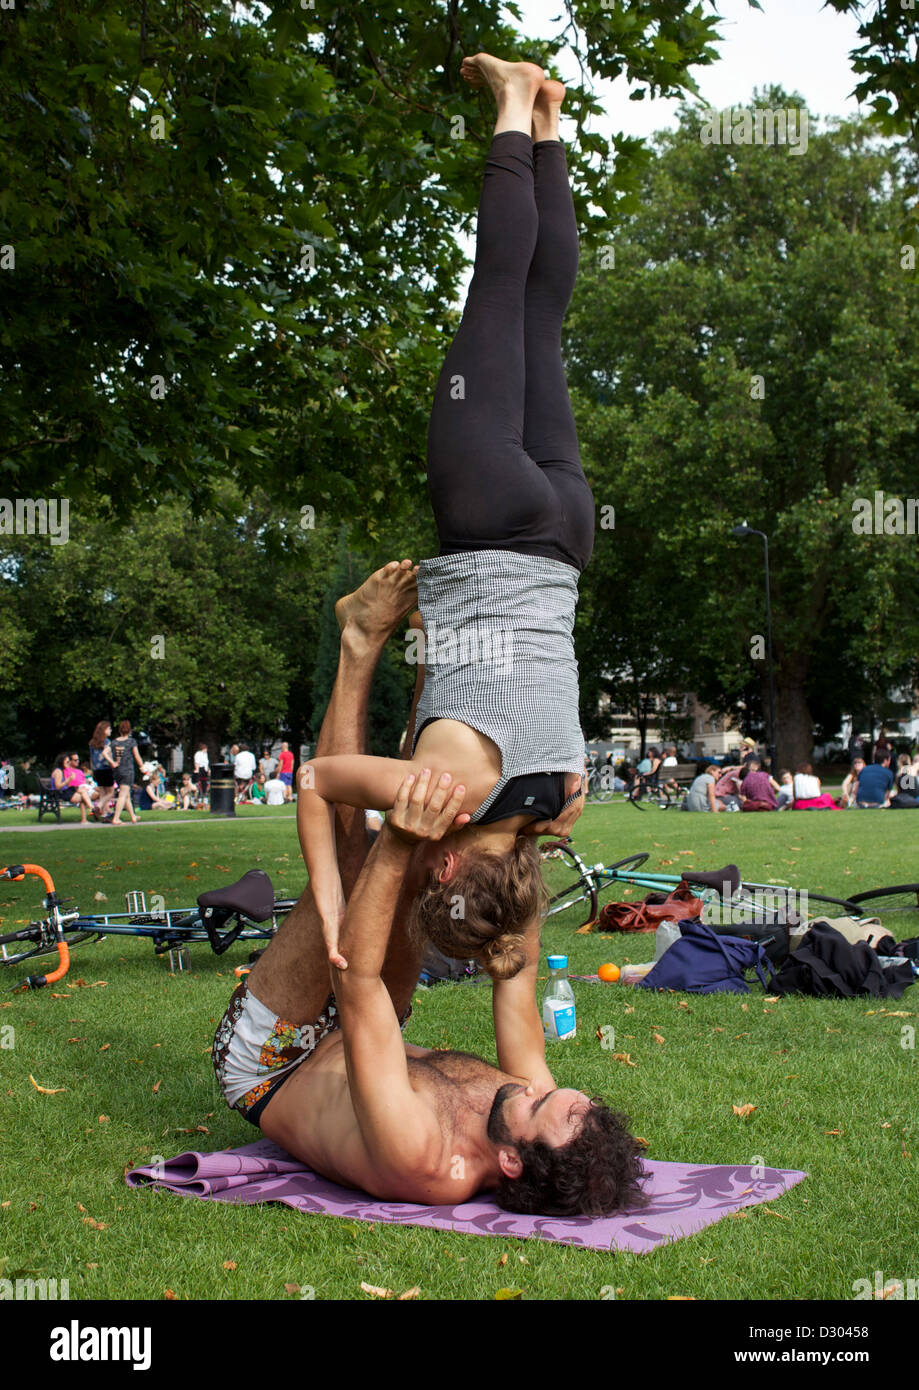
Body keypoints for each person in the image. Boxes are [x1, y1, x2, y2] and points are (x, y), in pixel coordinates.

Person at [212, 541, 647, 1216]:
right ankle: (429, 669)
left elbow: (355, 978)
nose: (530, 1085)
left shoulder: (421, 1152)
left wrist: (401, 841)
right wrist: (533, 832)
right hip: (370, 1027)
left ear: (509, 1159)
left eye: (537, 1101)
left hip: (276, 1060)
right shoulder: (530, 1112)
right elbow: (517, 972)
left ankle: (360, 641)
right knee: (444, 836)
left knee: (379, 857)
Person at [297, 61, 595, 975]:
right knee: (498, 294)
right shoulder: (448, 796)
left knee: (542, 321)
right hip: (488, 522)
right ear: (454, 859)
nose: (416, 858)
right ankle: (512, 101)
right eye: (430, 874)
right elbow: (314, 781)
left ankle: (547, 122)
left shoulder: (562, 797)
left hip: (565, 537)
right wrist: (331, 897)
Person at [111, 721, 144, 824]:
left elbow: (106, 752)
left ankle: (133, 816)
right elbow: (136, 755)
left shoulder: (114, 742)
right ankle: (116, 818)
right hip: (127, 770)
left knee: (126, 795)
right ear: (129, 730)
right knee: (123, 794)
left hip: (117, 771)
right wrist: (142, 766)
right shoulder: (131, 741)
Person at [51, 753, 94, 823]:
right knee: (83, 796)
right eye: (67, 762)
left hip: (65, 791)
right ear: (62, 762)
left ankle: (91, 809)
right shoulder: (58, 771)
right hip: (60, 793)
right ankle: (89, 812)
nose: (69, 763)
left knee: (83, 791)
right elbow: (58, 786)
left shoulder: (62, 771)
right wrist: (68, 779)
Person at [89, 721, 119, 819]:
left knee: (102, 792)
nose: (110, 730)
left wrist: (92, 769)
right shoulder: (107, 742)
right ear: (104, 730)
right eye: (109, 728)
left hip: (96, 770)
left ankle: (105, 813)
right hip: (106, 769)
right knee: (110, 792)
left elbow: (91, 758)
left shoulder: (92, 743)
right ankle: (98, 806)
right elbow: (109, 756)